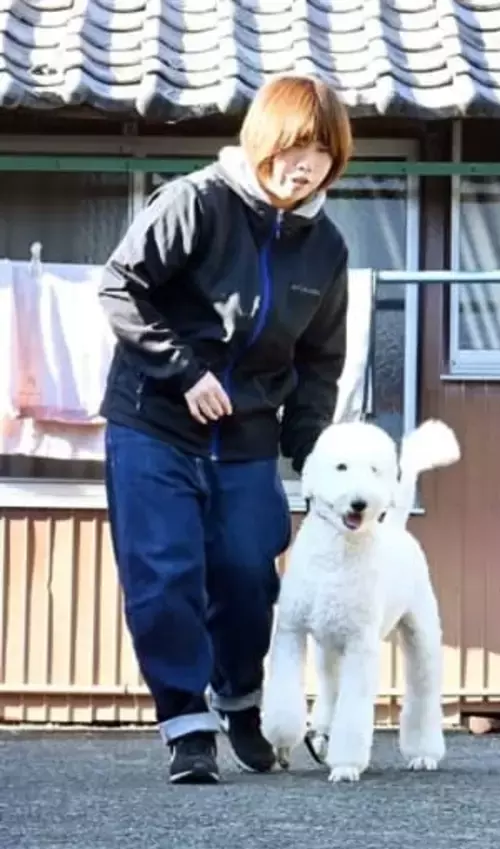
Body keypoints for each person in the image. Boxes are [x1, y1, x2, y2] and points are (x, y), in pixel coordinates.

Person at [98, 75, 353, 784]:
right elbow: (121, 286)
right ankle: (186, 723)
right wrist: (182, 371)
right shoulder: (198, 202)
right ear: (262, 139)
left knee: (247, 572)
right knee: (164, 571)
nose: (303, 164)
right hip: (153, 420)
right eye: (294, 145)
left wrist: (315, 456)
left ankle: (238, 694)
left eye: (321, 153)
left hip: (247, 437)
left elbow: (319, 362)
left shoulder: (325, 250)